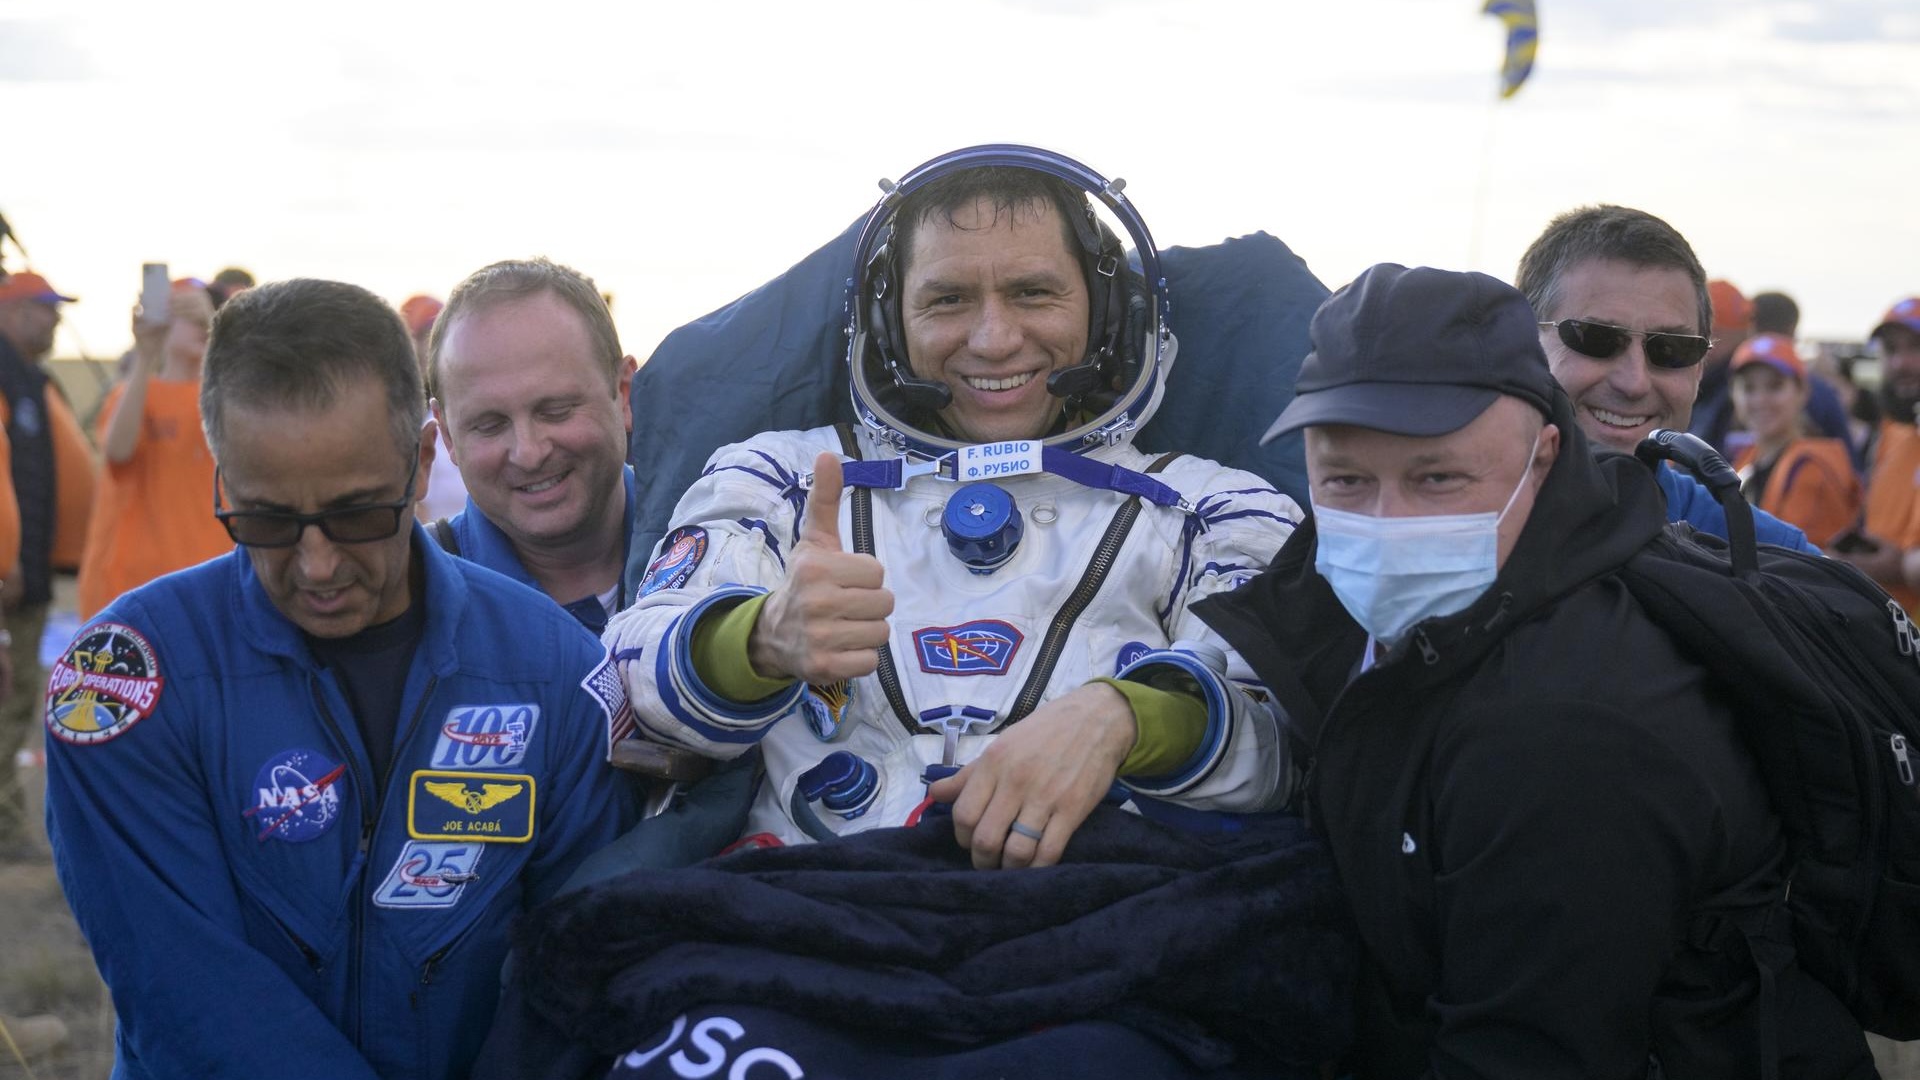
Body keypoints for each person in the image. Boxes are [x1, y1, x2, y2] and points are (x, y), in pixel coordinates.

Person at [1197, 263, 1872, 1079]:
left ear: (1544, 458)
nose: (1385, 524)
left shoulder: (1572, 726)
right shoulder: (1423, 616)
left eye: (1437, 479)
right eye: (1345, 480)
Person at [603, 147, 1298, 867]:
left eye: (1033, 293)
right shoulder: (779, 478)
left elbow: (1287, 739)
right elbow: (627, 671)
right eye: (946, 300)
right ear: (887, 318)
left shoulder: (1212, 510)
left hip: (1100, 911)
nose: (994, 340)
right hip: (811, 905)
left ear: (1107, 312)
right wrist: (758, 639)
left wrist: (1127, 717)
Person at [42, 278, 638, 1079]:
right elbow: (188, 993)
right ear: (222, 474)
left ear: (424, 461)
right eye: (268, 522)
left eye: (359, 514)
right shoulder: (124, 681)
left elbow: (574, 974)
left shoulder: (553, 670)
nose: (317, 565)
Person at [1514, 205, 1819, 552]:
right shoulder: (1453, 514)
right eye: (1595, 339)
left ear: (1701, 366)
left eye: (1671, 349)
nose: (1635, 383)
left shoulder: (1763, 550)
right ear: (1519, 343)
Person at [427, 260, 637, 633]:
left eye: (555, 411)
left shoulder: (735, 540)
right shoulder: (412, 599)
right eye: (489, 426)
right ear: (446, 434)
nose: (528, 452)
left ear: (623, 394)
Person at [75, 276, 232, 620]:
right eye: (186, 316)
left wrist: (218, 333)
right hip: (131, 586)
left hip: (209, 583)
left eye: (203, 316)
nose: (197, 328)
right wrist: (145, 354)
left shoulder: (226, 397)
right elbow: (118, 451)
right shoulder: (134, 394)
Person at [0, 269, 93, 846]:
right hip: (9, 573)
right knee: (8, 699)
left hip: (26, 573)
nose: (53, 317)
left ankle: (6, 818)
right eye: (40, 307)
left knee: (17, 699)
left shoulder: (30, 380)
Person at [1729, 332, 1861, 546]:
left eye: (1775, 386)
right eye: (1748, 388)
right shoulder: (1748, 459)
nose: (1760, 400)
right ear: (1733, 395)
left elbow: (1797, 562)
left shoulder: (1812, 467)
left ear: (1802, 391)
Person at [1836, 296, 1920, 610]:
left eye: (1915, 347)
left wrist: (1896, 566)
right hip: (1884, 629)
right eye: (1891, 349)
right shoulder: (1889, 432)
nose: (1901, 363)